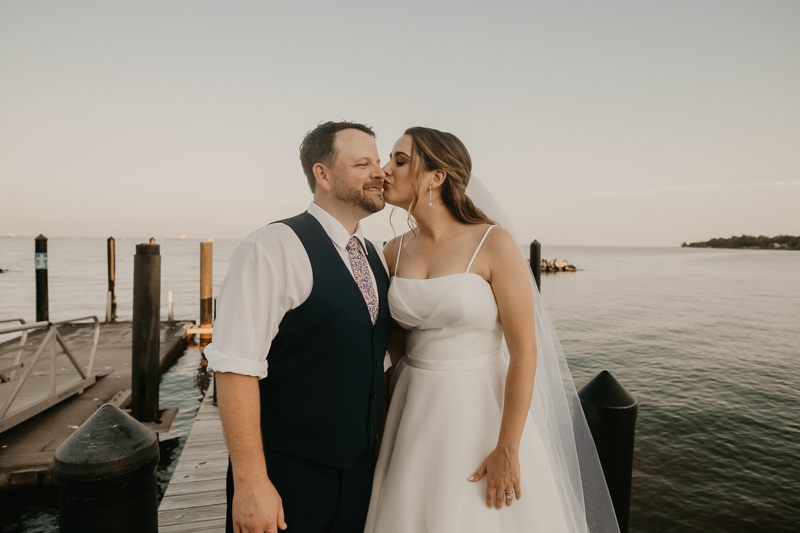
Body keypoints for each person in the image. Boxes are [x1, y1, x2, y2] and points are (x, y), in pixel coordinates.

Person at [364, 127, 619, 532]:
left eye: (399, 160)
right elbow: (395, 348)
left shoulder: (493, 243)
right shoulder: (391, 252)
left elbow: (524, 351)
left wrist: (508, 447)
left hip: (481, 406)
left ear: (436, 176)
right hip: (412, 409)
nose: (384, 170)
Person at [205, 121, 392, 533]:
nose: (380, 172)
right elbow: (235, 367)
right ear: (321, 174)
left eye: (379, 162)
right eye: (363, 163)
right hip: (289, 482)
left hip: (360, 476)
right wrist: (251, 482)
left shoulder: (373, 255)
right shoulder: (272, 246)